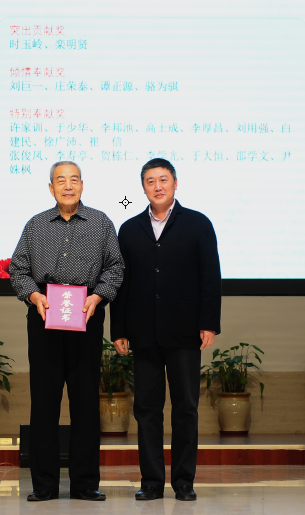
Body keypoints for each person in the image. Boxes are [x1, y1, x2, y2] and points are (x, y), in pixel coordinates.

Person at [10, 161, 124, 502]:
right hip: (44, 315)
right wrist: (34, 296)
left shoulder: (101, 223)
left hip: (86, 316)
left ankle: (85, 483)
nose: (68, 185)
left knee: (85, 402)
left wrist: (98, 297)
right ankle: (43, 485)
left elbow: (115, 267)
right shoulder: (35, 225)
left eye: (74, 179)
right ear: (51, 188)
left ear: (82, 185)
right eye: (61, 180)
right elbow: (18, 269)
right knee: (44, 402)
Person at [111, 158, 221, 502]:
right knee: (147, 409)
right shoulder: (129, 229)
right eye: (150, 181)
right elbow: (121, 283)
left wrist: (209, 323)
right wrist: (118, 328)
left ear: (175, 183)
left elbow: (211, 277)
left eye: (163, 179)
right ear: (143, 187)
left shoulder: (198, 224)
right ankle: (152, 482)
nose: (157, 186)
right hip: (143, 332)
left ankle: (184, 481)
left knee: (186, 407)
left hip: (185, 331)